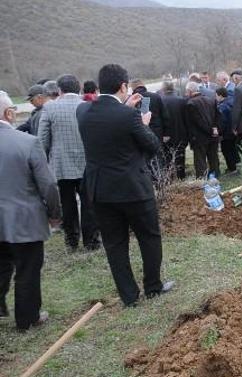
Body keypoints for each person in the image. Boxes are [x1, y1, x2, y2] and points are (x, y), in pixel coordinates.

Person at [76, 64, 175, 307]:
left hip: (101, 191)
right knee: (149, 237)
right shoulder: (130, 116)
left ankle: (129, 296)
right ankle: (153, 286)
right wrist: (142, 122)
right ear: (123, 86)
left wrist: (127, 110)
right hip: (133, 189)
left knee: (114, 244)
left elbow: (110, 128)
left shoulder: (83, 112)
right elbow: (152, 146)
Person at [0, 90, 61, 330]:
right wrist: (55, 215)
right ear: (8, 112)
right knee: (27, 269)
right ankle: (28, 318)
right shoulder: (27, 142)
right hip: (24, 220)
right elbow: (48, 184)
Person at [37, 74, 100, 252]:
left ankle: (71, 241)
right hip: (87, 162)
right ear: (79, 88)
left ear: (59, 90)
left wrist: (45, 160)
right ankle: (92, 241)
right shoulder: (88, 106)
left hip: (61, 165)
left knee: (67, 203)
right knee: (89, 203)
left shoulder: (50, 108)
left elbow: (42, 140)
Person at [185, 81, 221, 178]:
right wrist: (215, 129)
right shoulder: (211, 100)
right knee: (213, 157)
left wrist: (209, 130)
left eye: (186, 91)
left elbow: (198, 122)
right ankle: (216, 176)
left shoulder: (190, 103)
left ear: (189, 91)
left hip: (199, 137)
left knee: (200, 160)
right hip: (213, 135)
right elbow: (217, 116)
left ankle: (202, 179)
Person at [160, 81, 189, 180]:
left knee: (167, 158)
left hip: (166, 135)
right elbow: (186, 118)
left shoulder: (160, 100)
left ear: (163, 89)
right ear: (173, 88)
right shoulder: (182, 100)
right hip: (181, 133)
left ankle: (170, 178)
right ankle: (181, 177)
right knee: (180, 157)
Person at [216, 72, 238, 174]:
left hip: (226, 133)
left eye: (216, 96)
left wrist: (220, 133)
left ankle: (232, 168)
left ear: (220, 96)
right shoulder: (230, 102)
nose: (216, 98)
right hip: (232, 131)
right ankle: (236, 166)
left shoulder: (222, 107)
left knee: (226, 150)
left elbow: (223, 121)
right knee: (233, 149)